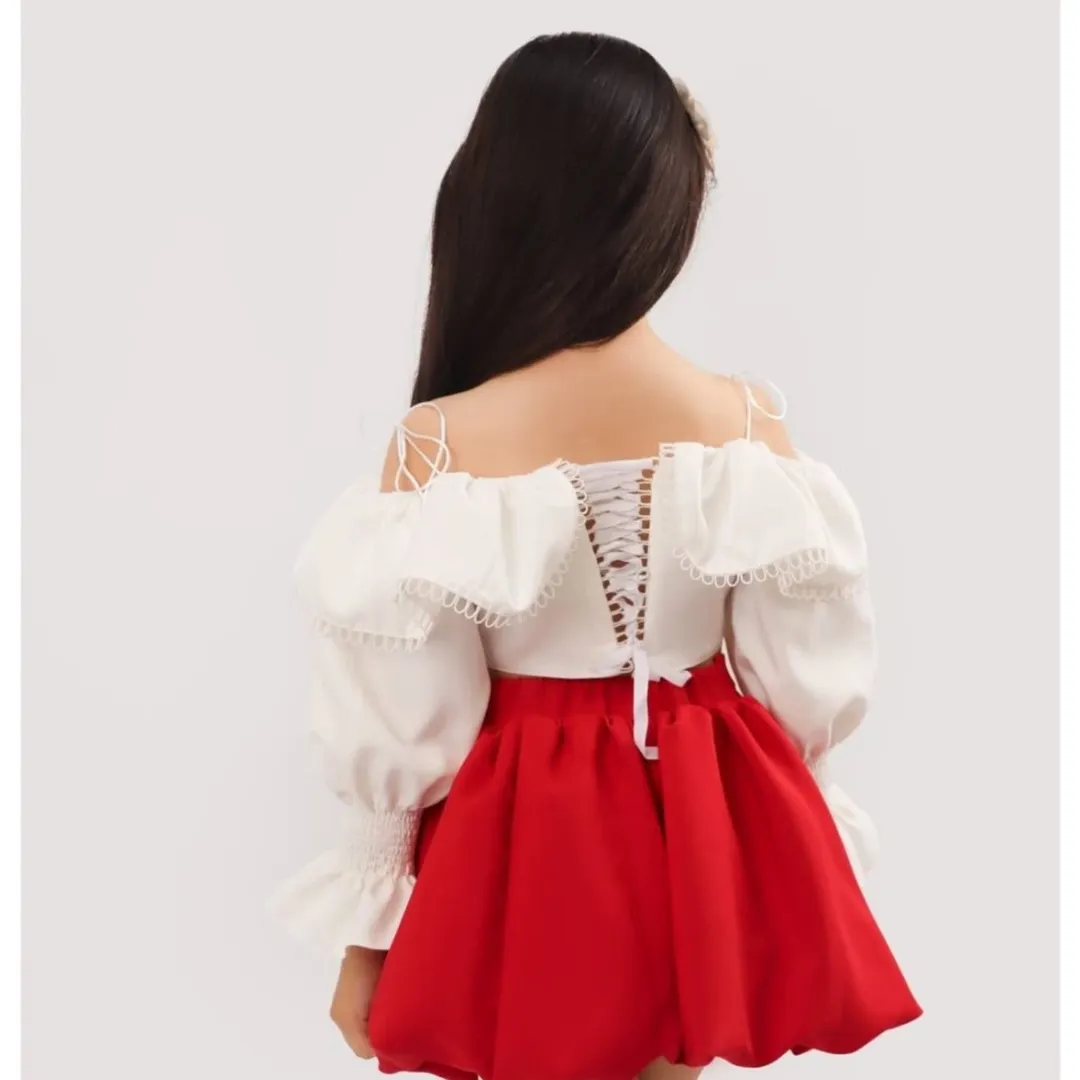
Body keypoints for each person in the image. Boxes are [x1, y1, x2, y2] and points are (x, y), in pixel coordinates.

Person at [271, 30, 921, 1080]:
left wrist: (369, 936)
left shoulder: (441, 443)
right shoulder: (743, 424)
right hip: (707, 820)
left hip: (529, 829)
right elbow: (801, 680)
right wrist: (805, 857)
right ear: (667, 210)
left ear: (494, 195)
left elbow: (404, 703)